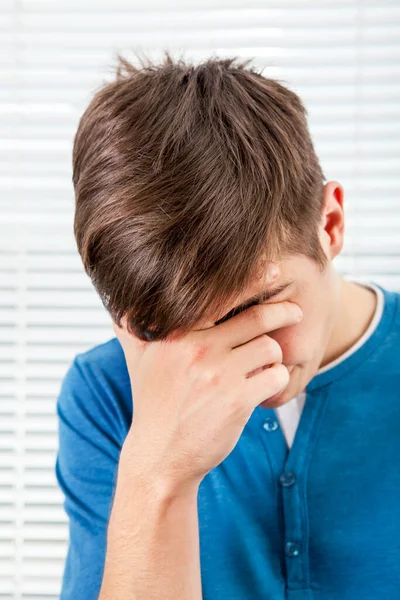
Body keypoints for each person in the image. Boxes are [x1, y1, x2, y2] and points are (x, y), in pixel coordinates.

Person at [55, 50, 400, 600]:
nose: (232, 356)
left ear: (329, 225)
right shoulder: (105, 394)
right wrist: (156, 473)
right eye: (178, 328)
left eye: (259, 306)